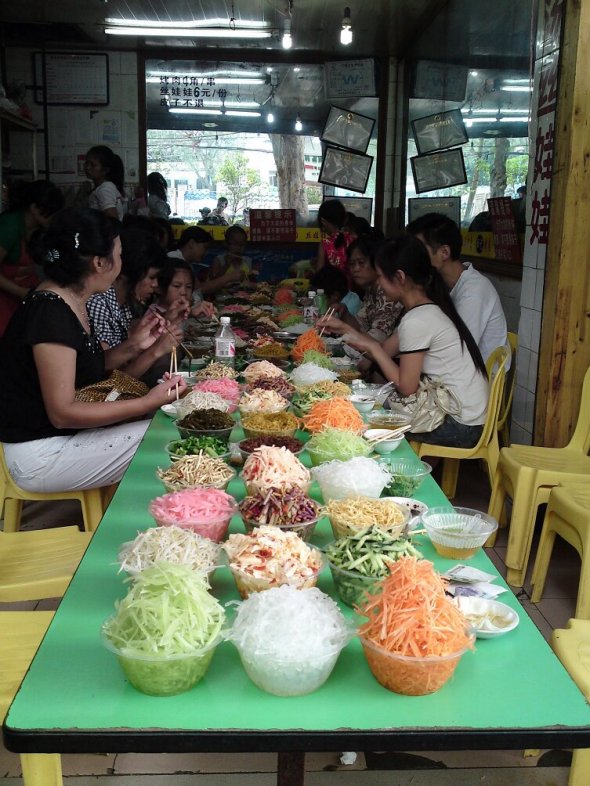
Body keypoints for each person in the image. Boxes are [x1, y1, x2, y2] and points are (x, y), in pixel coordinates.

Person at [0, 207, 185, 493]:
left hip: (60, 439)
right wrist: (148, 402)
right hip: (40, 453)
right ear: (99, 263)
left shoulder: (68, 300)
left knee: (170, 426)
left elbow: (85, 368)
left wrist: (134, 345)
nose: (121, 265)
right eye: (119, 255)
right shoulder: (50, 313)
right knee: (170, 436)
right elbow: (62, 413)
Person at [319, 234, 489, 449]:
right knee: (366, 401)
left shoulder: (417, 319)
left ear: (399, 277)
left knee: (364, 415)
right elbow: (384, 351)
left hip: (460, 424)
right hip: (464, 414)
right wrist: (345, 329)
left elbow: (406, 387)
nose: (378, 283)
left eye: (380, 276)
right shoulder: (424, 311)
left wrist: (372, 348)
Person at [407, 212, 508, 365]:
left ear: (444, 252)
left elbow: (458, 350)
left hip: (479, 374)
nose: (414, 257)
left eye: (419, 250)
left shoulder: (474, 291)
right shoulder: (440, 282)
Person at [318, 234, 403, 366]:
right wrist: (345, 312)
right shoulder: (371, 290)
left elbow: (376, 341)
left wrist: (343, 328)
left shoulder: (388, 292)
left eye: (361, 263)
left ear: (376, 263)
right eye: (352, 264)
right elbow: (359, 325)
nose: (356, 269)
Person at [0, 179, 64, 336]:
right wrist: (21, 291)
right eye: (51, 212)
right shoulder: (9, 227)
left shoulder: (39, 231)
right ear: (34, 208)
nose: (54, 217)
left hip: (24, 293)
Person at [84, 145, 128, 220]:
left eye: (93, 165)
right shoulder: (104, 187)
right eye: (86, 163)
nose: (87, 167)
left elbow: (113, 221)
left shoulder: (105, 189)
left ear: (105, 170)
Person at [207, 225, 252, 294]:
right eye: (235, 244)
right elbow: (213, 283)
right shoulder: (218, 260)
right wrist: (226, 265)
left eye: (242, 245)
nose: (239, 248)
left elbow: (250, 282)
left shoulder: (247, 260)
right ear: (226, 243)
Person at [315, 199, 354, 275]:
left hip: (330, 283)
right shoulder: (353, 239)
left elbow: (319, 275)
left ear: (323, 221)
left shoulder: (325, 244)